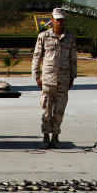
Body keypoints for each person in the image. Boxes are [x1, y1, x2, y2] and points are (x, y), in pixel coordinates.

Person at [31, 8, 76, 148]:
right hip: (48, 79)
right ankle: (45, 136)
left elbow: (72, 58)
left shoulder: (70, 37)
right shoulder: (43, 36)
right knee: (46, 109)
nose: (59, 22)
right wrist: (36, 76)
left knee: (60, 109)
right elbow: (37, 56)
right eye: (57, 19)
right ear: (52, 19)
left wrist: (72, 76)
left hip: (63, 79)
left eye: (62, 19)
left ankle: (55, 136)